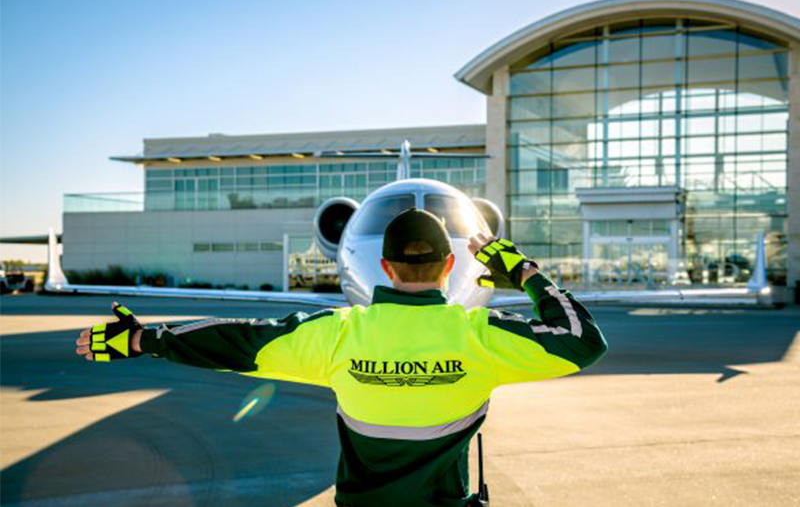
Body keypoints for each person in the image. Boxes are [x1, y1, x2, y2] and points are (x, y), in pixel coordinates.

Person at [75, 208, 608, 507]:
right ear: (450, 267)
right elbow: (582, 338)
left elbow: (238, 339)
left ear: (384, 265)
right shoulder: (481, 337)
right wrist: (522, 271)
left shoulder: (336, 334)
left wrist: (145, 338)